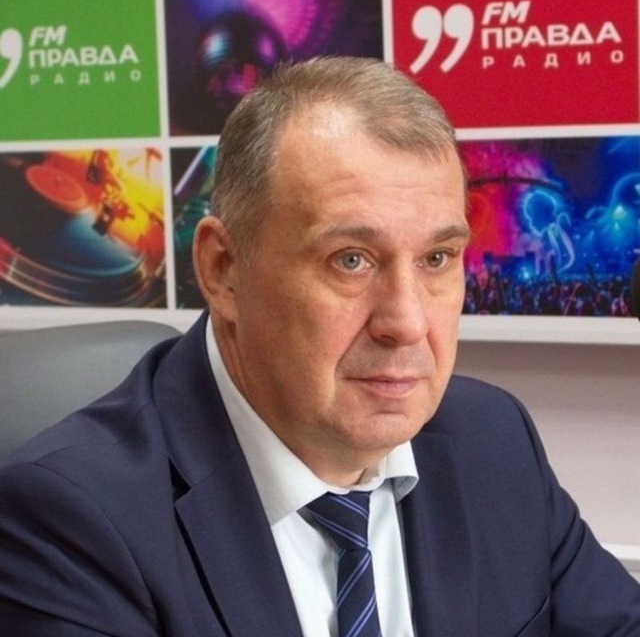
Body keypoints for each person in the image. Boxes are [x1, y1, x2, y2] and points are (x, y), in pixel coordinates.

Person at [1, 56, 639, 636]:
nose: (407, 322)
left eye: (437, 258)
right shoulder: (70, 523)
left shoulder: (493, 440)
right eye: (351, 259)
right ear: (223, 269)